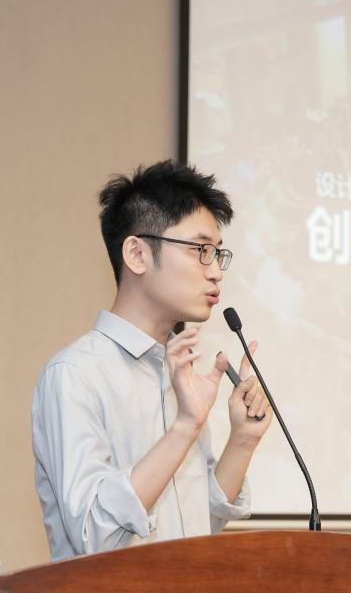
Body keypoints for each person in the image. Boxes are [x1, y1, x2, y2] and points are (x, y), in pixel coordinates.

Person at [31, 160, 272, 560]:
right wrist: (184, 427)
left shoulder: (178, 371)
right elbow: (93, 533)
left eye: (218, 254)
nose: (216, 272)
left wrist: (242, 441)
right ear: (137, 254)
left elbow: (200, 524)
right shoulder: (75, 374)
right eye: (201, 250)